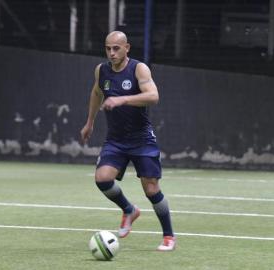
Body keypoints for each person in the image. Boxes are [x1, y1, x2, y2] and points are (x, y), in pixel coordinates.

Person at [80, 31, 175, 251]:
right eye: (108, 48)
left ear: (127, 48)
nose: (111, 53)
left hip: (142, 139)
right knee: (102, 178)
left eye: (116, 48)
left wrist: (124, 99)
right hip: (115, 140)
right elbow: (96, 93)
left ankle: (169, 236)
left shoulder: (138, 69)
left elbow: (153, 96)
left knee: (151, 189)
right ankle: (129, 210)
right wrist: (90, 122)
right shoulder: (101, 70)